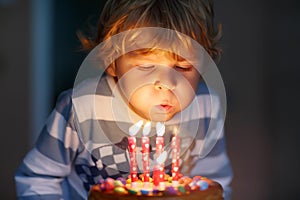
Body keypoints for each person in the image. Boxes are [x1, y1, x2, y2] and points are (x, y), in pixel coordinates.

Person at [15, 0, 233, 199]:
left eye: (183, 67)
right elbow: (38, 180)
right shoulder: (82, 108)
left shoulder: (206, 108)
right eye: (147, 66)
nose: (167, 83)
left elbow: (212, 184)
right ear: (112, 62)